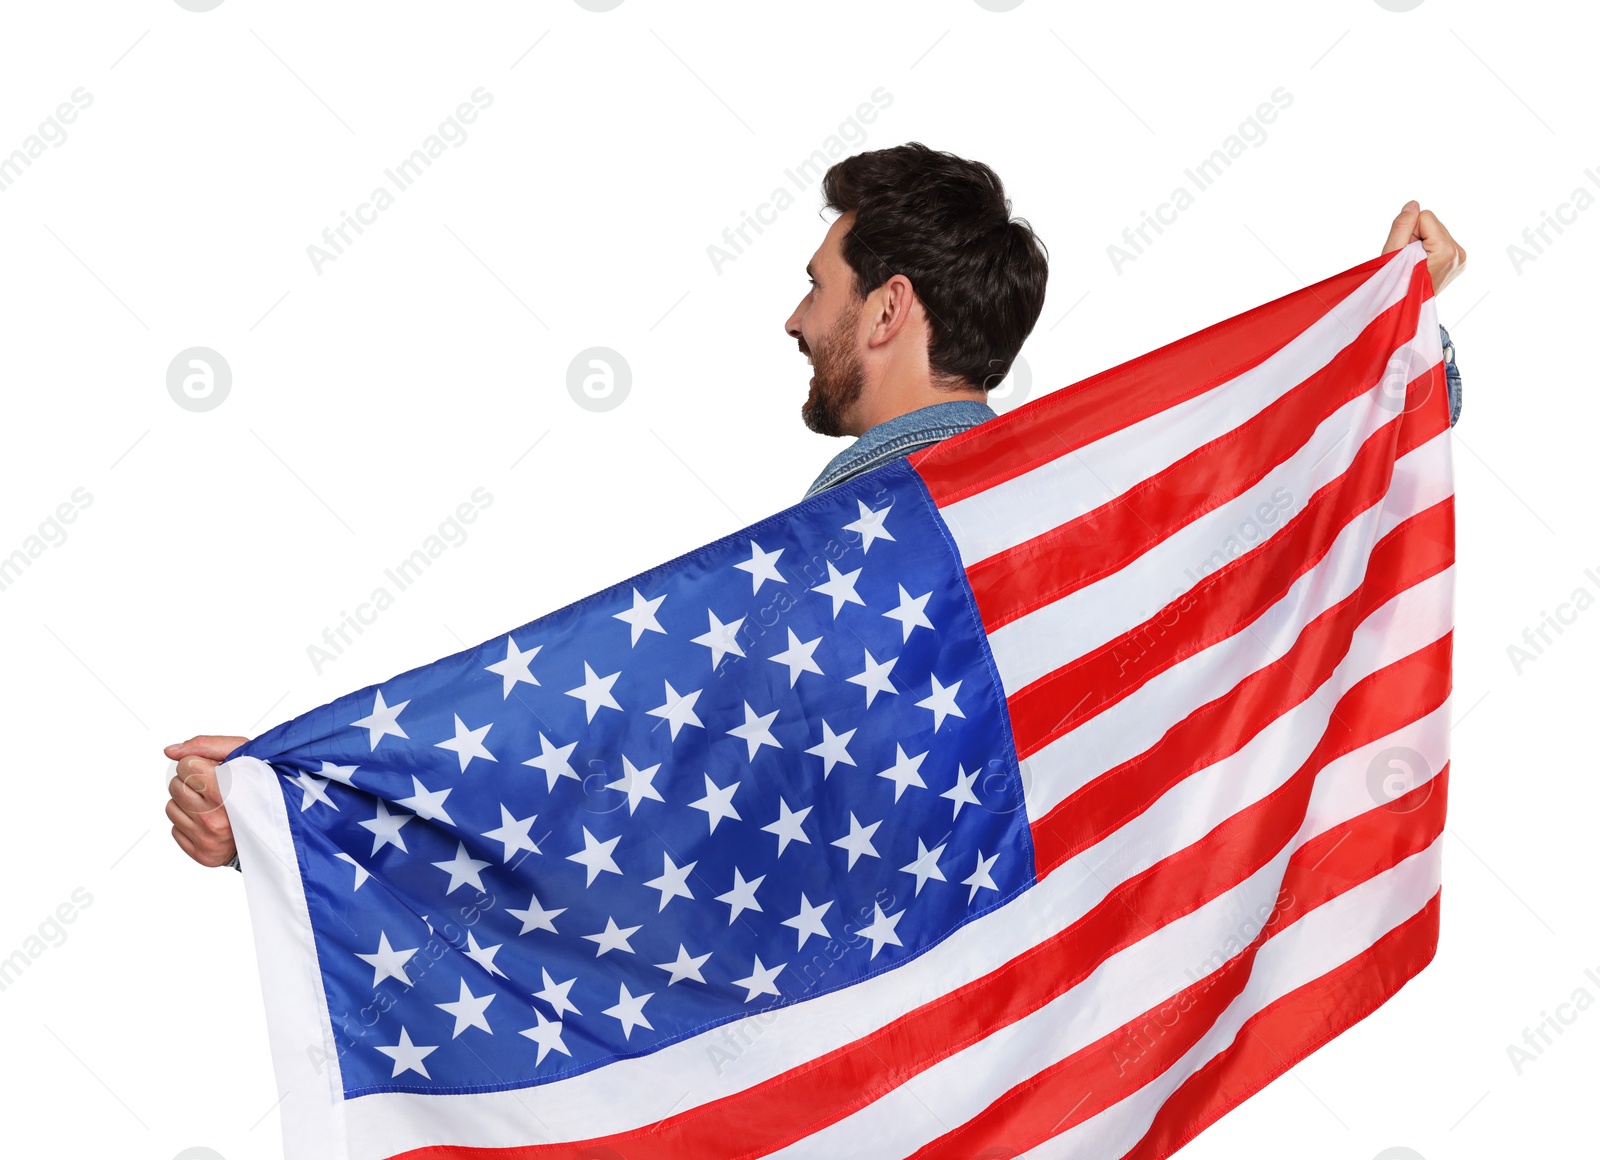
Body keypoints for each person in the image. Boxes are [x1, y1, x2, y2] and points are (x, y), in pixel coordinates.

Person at [164, 142, 1468, 870]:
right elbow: (1272, 509)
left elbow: (615, 768)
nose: (796, 318)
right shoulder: (1086, 540)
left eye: (819, 285)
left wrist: (307, 815)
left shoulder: (844, 556)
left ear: (889, 308)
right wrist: (1396, 346)